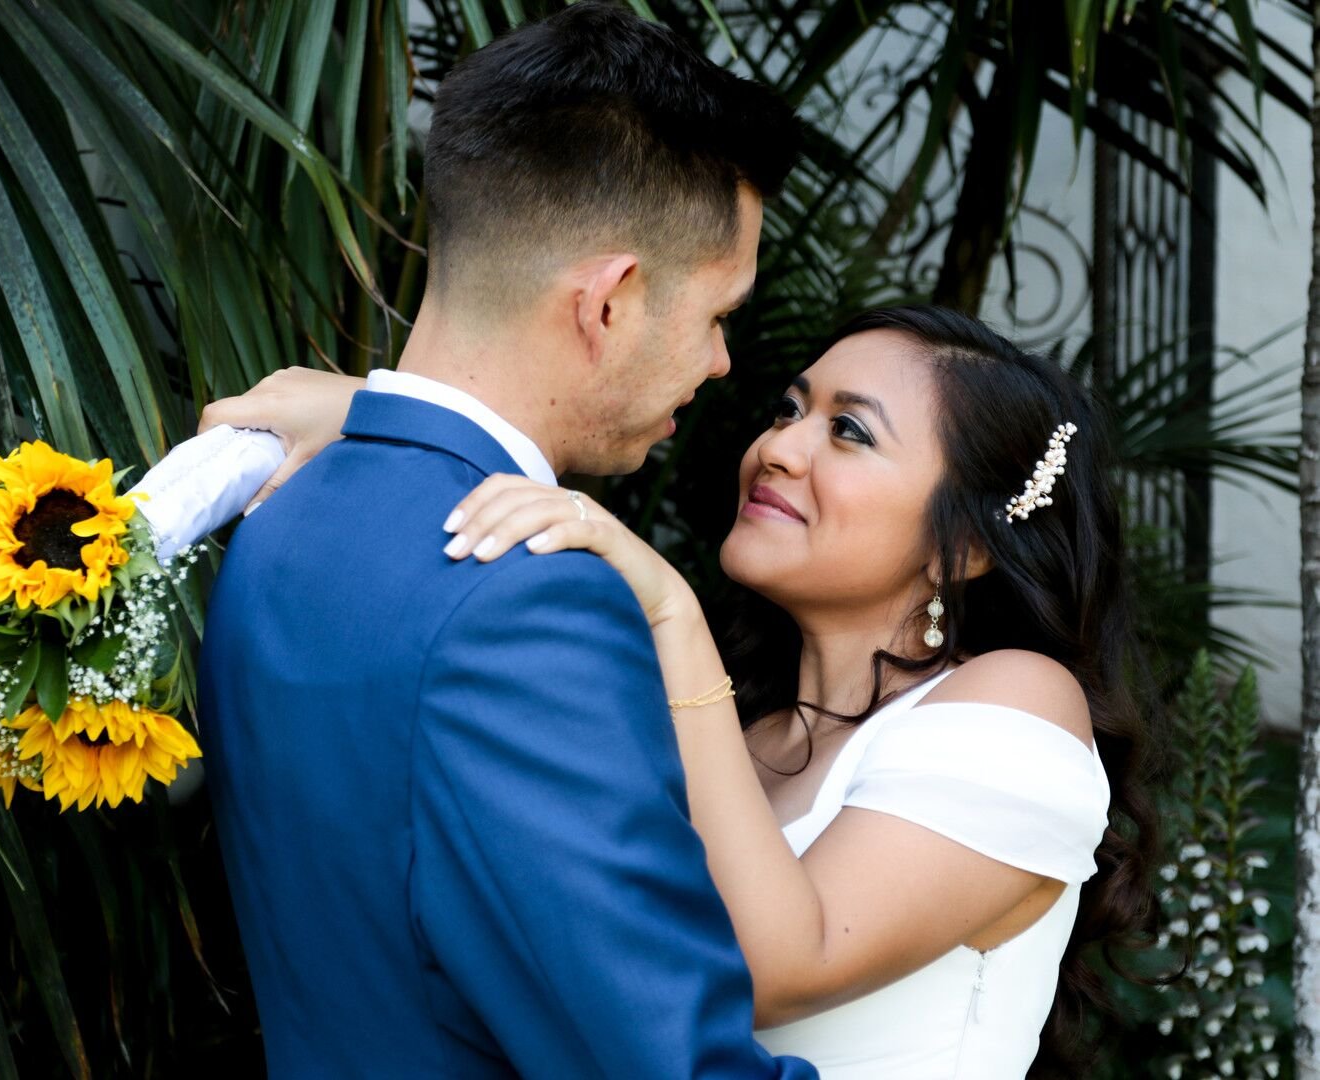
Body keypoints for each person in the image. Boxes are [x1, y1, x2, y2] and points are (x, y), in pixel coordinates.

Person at [179, 306, 1159, 1077]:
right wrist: (376, 413)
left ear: (970, 544)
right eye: (789, 408)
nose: (779, 447)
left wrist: (673, 612)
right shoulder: (742, 728)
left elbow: (777, 965)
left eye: (850, 432)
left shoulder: (1020, 704)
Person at [139, 4, 817, 1076]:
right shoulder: (525, 600)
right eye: (718, 314)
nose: (726, 361)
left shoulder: (279, 523)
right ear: (612, 302)